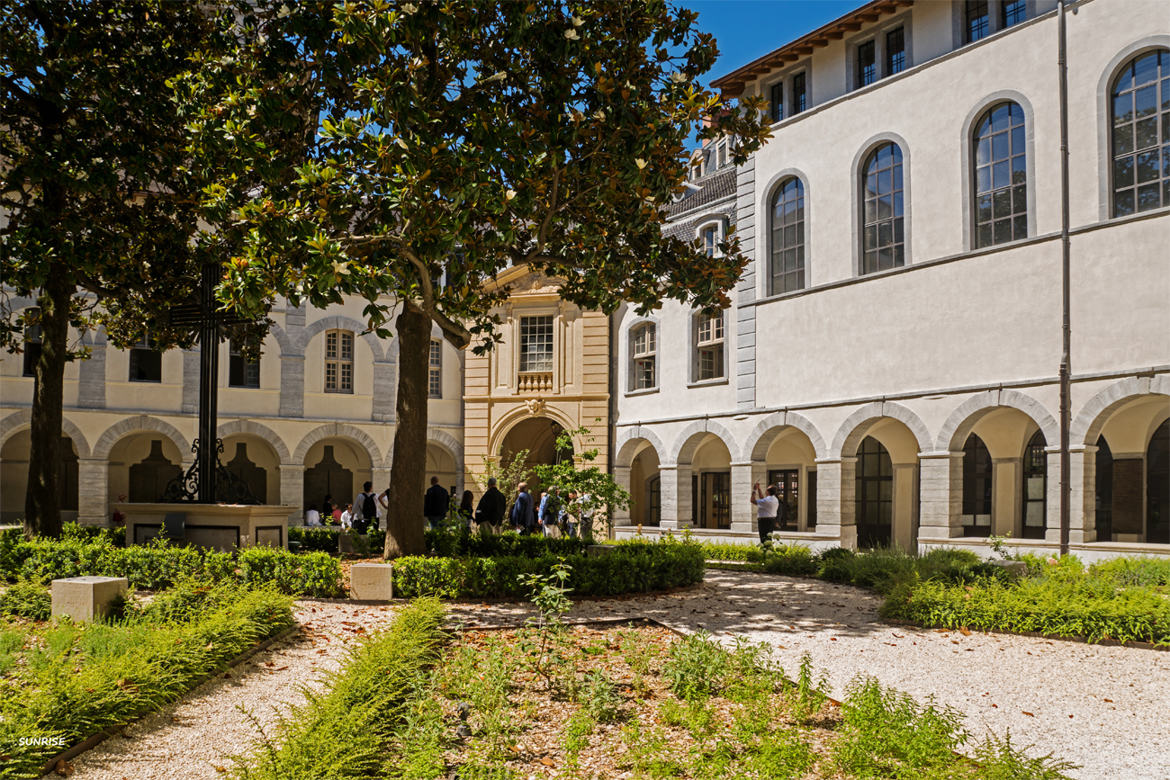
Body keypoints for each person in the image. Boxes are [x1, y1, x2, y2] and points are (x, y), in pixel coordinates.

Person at [751, 482, 779, 546]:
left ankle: (765, 553)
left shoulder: (767, 501)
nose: (765, 490)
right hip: (771, 521)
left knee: (764, 539)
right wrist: (759, 489)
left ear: (768, 492)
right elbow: (762, 499)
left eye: (766, 489)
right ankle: (768, 552)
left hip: (764, 521)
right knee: (768, 539)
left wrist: (754, 490)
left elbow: (752, 500)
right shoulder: (774, 499)